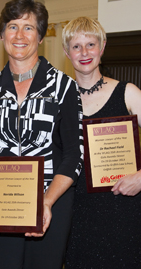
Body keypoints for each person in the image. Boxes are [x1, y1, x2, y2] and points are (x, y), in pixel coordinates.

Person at [0, 0, 84, 269]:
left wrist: (45, 202)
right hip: (0, 204)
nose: (19, 35)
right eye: (12, 26)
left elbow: (73, 156)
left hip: (50, 206)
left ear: (41, 36)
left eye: (28, 27)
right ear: (1, 34)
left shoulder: (64, 87)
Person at [62, 16, 141, 268]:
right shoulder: (58, 101)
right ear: (66, 52)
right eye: (76, 46)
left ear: (102, 47)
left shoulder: (127, 93)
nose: (84, 52)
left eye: (91, 44)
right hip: (75, 215)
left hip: (123, 211)